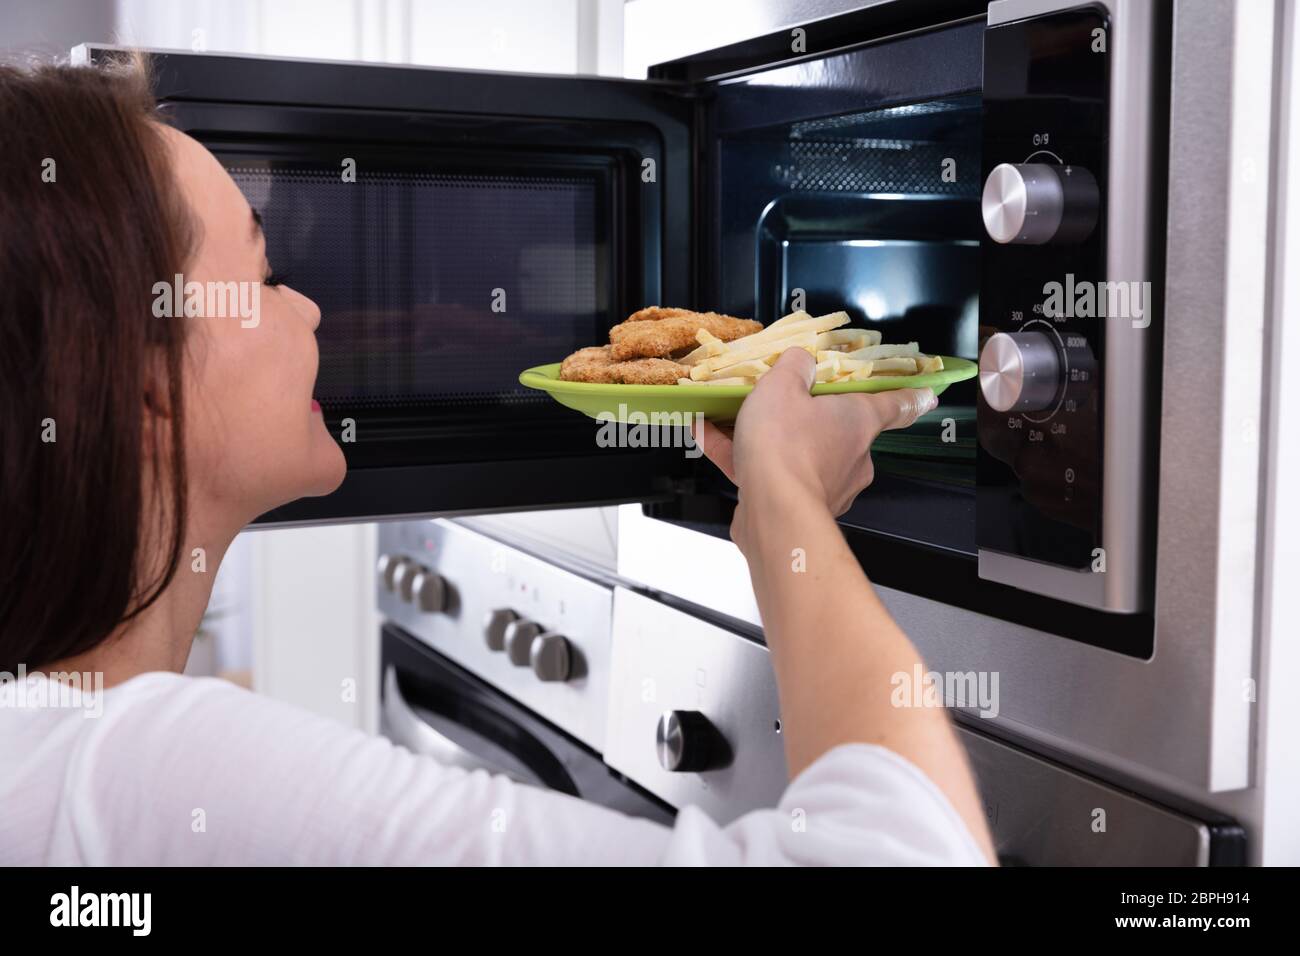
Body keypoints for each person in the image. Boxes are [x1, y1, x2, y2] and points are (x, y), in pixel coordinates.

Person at [0, 58, 995, 866]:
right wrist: (786, 501)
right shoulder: (144, 774)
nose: (308, 310)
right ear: (144, 381)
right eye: (261, 275)